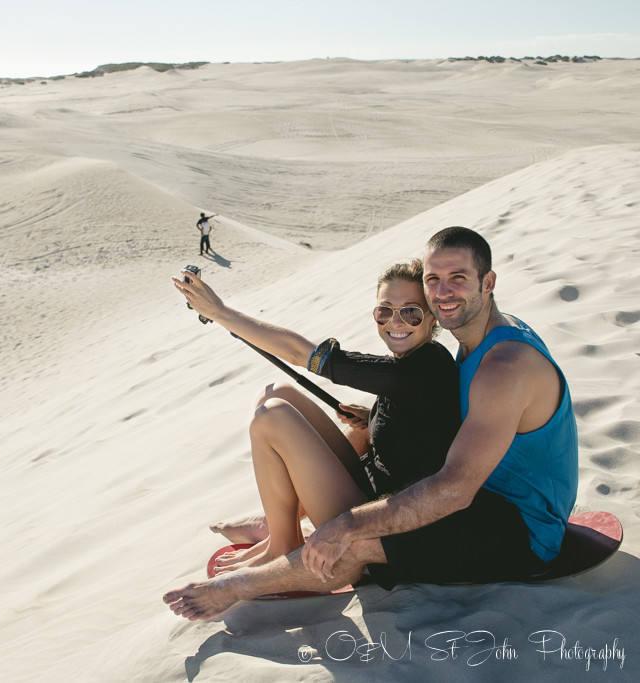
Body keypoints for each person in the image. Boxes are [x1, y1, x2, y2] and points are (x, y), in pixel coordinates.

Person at [164, 226, 579, 620]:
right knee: (281, 399)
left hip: (515, 529)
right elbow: (450, 417)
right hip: (481, 497)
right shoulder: (486, 337)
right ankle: (282, 531)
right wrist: (377, 418)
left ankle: (234, 588)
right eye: (433, 279)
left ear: (488, 283)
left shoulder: (502, 365)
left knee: (354, 542)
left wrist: (346, 524)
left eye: (458, 278)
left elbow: (453, 489)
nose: (443, 292)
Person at [172, 259, 460, 577]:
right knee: (276, 393)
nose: (396, 321)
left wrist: (220, 312)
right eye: (384, 311)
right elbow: (419, 416)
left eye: (411, 311)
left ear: (433, 317)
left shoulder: (427, 367)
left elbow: (301, 353)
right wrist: (373, 416)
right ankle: (279, 526)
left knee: (272, 417)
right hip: (368, 490)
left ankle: (281, 545)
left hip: (377, 524)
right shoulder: (414, 362)